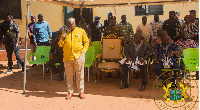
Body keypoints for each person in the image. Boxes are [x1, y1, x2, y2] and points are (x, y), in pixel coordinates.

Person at [58, 17, 89, 100]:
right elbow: (60, 44)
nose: (68, 26)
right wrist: (62, 38)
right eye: (67, 24)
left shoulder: (81, 31)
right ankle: (70, 92)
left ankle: (81, 92)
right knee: (69, 76)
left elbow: (86, 42)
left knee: (80, 75)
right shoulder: (64, 32)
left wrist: (83, 51)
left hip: (78, 56)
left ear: (74, 24)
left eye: (70, 24)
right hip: (68, 57)